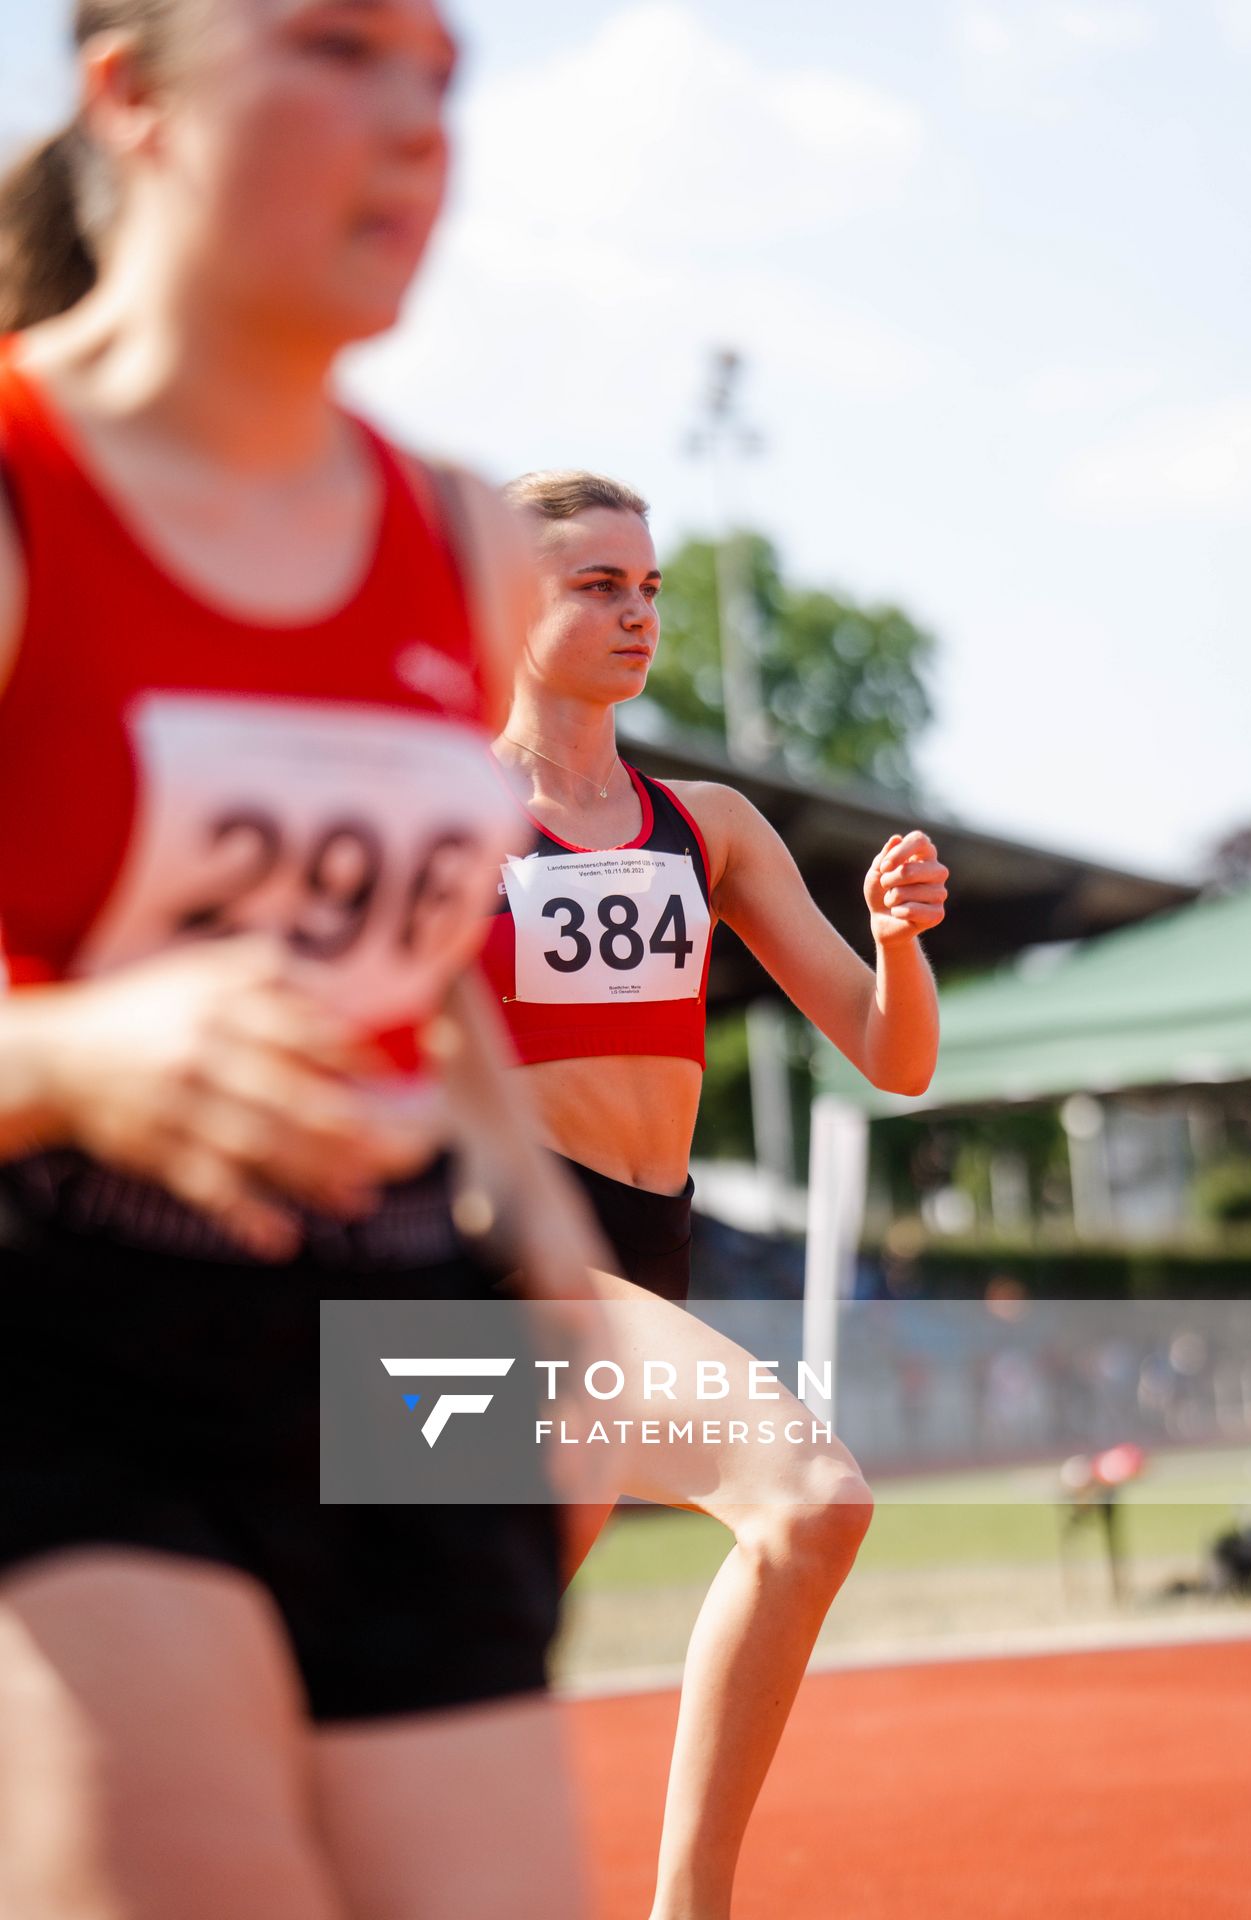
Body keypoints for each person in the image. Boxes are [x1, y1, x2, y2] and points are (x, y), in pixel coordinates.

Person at [0, 8, 601, 1918]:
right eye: (338, 50)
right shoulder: (23, 487)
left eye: (441, 73)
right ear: (132, 95)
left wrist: (548, 1246)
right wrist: (72, 1056)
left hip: (402, 1339)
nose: (413, 124)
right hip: (62, 1327)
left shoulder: (463, 539)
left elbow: (420, 969)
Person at [481, 468, 949, 1920]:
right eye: (595, 585)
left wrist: (898, 942)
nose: (636, 613)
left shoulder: (711, 826)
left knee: (442, 1667)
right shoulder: (443, 808)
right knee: (810, 1503)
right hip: (513, 1260)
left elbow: (893, 1056)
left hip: (645, 1253)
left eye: (650, 586)